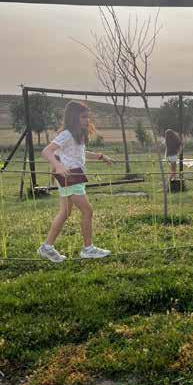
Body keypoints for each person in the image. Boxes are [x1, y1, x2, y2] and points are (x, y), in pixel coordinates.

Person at [38, 100, 114, 263]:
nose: (87, 120)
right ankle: (88, 249)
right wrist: (58, 166)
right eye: (83, 117)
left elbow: (81, 153)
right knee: (88, 211)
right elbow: (46, 151)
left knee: (65, 213)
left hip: (73, 176)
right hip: (70, 176)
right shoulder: (67, 134)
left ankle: (47, 247)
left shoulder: (77, 135)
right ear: (74, 118)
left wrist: (101, 156)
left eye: (88, 117)